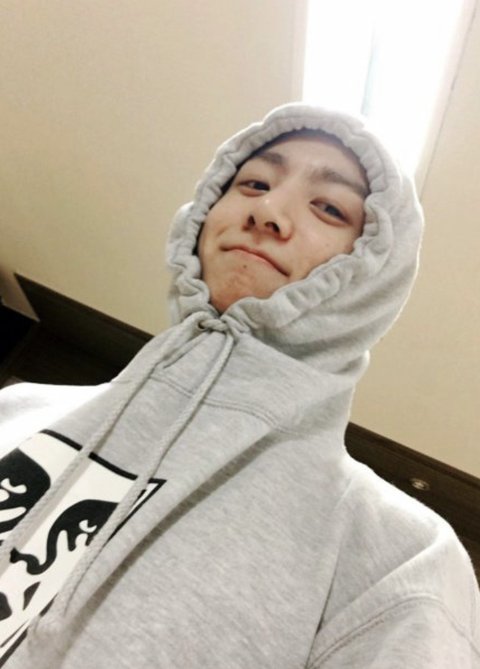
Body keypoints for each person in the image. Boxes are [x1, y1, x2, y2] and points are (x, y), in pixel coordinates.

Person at [0, 103, 478, 668]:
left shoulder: (401, 555)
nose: (268, 210)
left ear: (375, 275)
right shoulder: (18, 407)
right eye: (253, 183)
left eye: (329, 207)